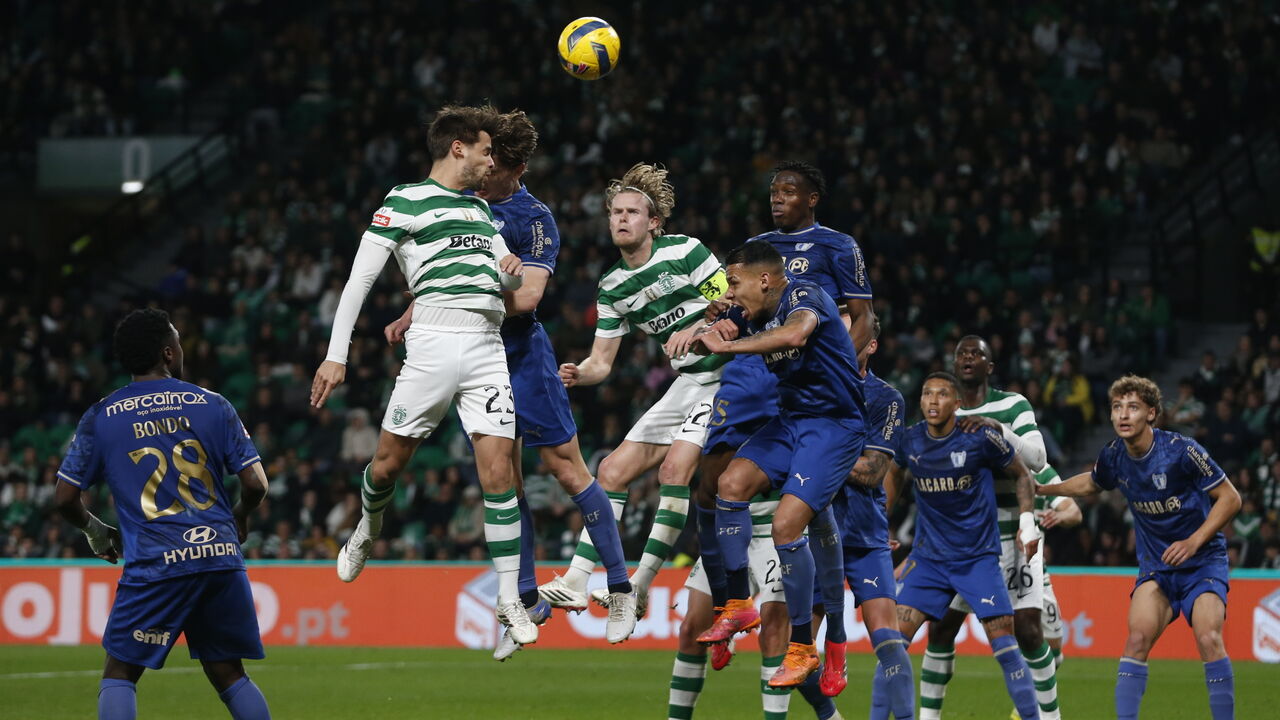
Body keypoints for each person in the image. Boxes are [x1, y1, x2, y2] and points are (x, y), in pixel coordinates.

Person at [384, 110, 631, 655]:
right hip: (472, 353)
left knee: (567, 469)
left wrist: (465, 290)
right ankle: (524, 600)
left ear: (513, 169)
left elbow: (528, 297)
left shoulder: (532, 216)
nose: (483, 164)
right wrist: (421, 309)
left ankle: (618, 586)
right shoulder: (457, 203)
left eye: (493, 160)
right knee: (502, 480)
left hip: (520, 353)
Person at [310, 104, 539, 644]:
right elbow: (357, 282)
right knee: (387, 468)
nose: (491, 161)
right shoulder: (403, 200)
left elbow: (507, 284)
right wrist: (335, 353)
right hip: (432, 346)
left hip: (486, 348)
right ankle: (368, 528)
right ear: (458, 147)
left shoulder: (483, 213)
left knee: (500, 473)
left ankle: (509, 600)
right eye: (486, 150)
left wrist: (509, 273)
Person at [667, 161, 874, 695]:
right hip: (791, 417)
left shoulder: (805, 295)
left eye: (734, 283)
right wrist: (703, 325)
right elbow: (733, 317)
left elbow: (798, 334)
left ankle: (810, 645)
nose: (729, 291)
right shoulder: (756, 299)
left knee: (791, 527)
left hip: (833, 424)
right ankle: (738, 602)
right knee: (727, 485)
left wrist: (729, 343)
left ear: (764, 278)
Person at [54, 308, 271, 720]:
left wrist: (96, 531)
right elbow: (258, 484)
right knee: (229, 673)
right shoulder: (212, 404)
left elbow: (65, 498)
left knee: (119, 674)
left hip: (157, 563)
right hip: (219, 556)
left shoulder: (101, 416)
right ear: (169, 353)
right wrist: (240, 515)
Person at [537, 162, 728, 629]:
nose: (621, 219)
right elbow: (603, 362)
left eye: (632, 212)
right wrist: (579, 373)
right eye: (615, 212)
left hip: (731, 375)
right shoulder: (613, 286)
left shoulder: (685, 252)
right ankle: (578, 581)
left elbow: (735, 304)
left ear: (654, 221)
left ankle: (638, 586)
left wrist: (696, 326)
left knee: (673, 468)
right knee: (612, 470)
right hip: (688, 383)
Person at [1038, 375, 1242, 720]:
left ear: (1152, 413)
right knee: (1135, 641)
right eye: (1117, 407)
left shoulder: (1182, 450)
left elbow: (1231, 498)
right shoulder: (1115, 455)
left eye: (1132, 407)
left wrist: (1194, 541)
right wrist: (1043, 489)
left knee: (1208, 638)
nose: (1123, 414)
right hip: (1157, 568)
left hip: (1202, 563)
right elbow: (1092, 481)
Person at [916, 335, 1067, 720]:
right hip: (962, 540)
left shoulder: (1012, 405)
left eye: (976, 353)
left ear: (989, 366)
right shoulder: (942, 408)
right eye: (961, 353)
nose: (967, 357)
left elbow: (1037, 458)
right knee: (941, 629)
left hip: (1014, 534)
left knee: (1029, 631)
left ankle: (1050, 717)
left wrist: (997, 430)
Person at [887, 372, 1043, 720]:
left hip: (977, 560)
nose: (932, 400)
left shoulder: (980, 438)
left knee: (1006, 648)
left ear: (957, 404)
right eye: (927, 393)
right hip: (928, 560)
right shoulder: (909, 441)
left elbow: (1023, 474)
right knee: (891, 647)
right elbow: (894, 473)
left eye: (942, 394)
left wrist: (1027, 522)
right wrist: (881, 523)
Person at [831, 316, 914, 719]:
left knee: (890, 641)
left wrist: (821, 457)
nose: (846, 339)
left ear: (872, 343)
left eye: (854, 332)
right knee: (796, 650)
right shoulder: (813, 387)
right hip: (816, 534)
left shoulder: (886, 398)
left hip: (865, 535)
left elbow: (874, 472)